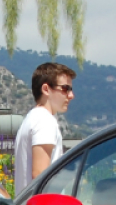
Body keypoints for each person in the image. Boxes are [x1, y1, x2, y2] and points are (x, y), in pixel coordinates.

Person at [13, 61, 75, 195]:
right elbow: (41, 176)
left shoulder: (31, 118)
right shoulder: (44, 120)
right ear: (46, 89)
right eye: (65, 89)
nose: (71, 95)